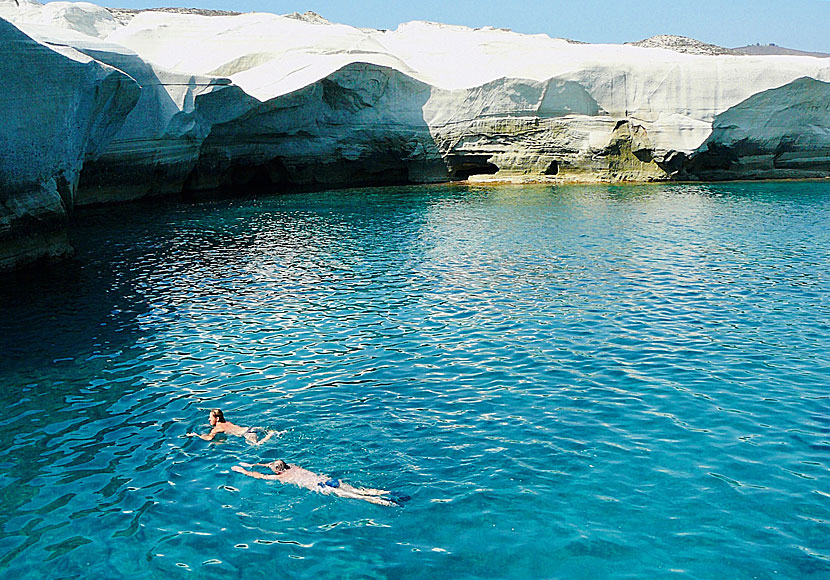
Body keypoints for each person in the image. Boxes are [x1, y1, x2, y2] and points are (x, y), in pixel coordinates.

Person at [231, 460, 407, 507]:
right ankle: (387, 492)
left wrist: (245, 470)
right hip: (329, 480)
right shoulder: (294, 468)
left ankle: (389, 504)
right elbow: (272, 464)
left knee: (359, 497)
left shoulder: (282, 477)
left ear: (277, 471)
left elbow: (260, 476)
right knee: (362, 490)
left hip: (323, 488)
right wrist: (255, 463)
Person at [187, 409, 279, 445]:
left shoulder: (217, 429)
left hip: (246, 434)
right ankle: (272, 432)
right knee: (267, 430)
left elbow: (209, 438)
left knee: (257, 445)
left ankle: (269, 436)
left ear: (217, 418)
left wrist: (196, 435)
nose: (208, 420)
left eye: (210, 418)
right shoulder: (227, 422)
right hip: (250, 428)